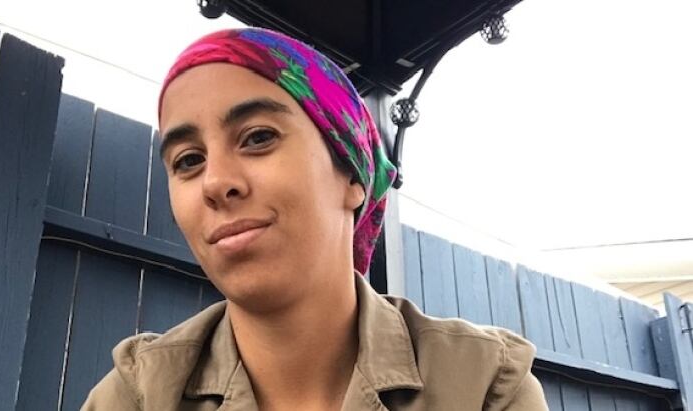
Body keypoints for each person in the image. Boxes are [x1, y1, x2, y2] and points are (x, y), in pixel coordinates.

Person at [81, 28, 548, 411]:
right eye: (187, 161)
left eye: (258, 137)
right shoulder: (138, 395)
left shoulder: (483, 385)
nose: (215, 182)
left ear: (351, 174)